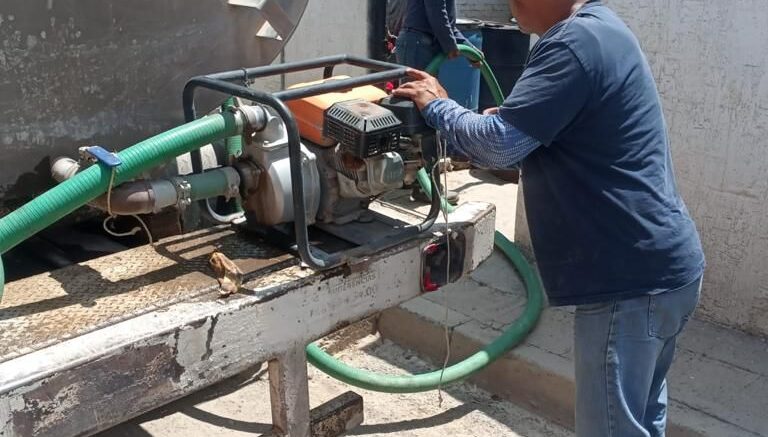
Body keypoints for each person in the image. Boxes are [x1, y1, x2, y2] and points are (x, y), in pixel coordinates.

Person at [393, 1, 705, 436]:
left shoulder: (571, 44)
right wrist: (509, 122)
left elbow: (499, 146)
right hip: (665, 270)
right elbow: (564, 126)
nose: (510, 3)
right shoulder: (602, 29)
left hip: (629, 282)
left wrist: (439, 106)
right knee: (640, 418)